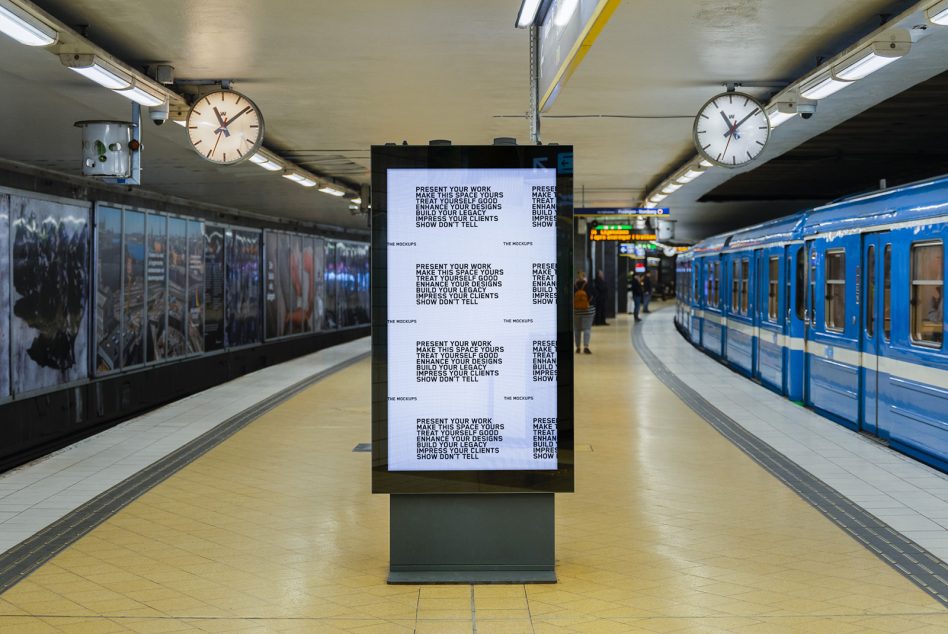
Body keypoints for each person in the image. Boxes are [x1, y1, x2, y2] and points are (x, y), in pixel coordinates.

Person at [573, 272, 596, 353]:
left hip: (576, 311)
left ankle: (578, 347)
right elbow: (594, 295)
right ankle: (586, 347)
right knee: (587, 329)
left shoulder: (574, 286)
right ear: (584, 277)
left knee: (577, 329)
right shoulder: (588, 285)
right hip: (588, 310)